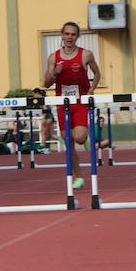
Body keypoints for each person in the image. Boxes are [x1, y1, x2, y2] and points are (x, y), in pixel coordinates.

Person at [42, 21, 101, 190]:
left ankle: (86, 138)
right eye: (67, 34)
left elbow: (97, 73)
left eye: (73, 34)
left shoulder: (86, 55)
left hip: (80, 102)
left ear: (78, 36)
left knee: (79, 137)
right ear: (62, 35)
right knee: (69, 142)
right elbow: (46, 84)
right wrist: (54, 74)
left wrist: (91, 90)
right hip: (63, 103)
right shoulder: (54, 57)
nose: (69, 37)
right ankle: (79, 177)